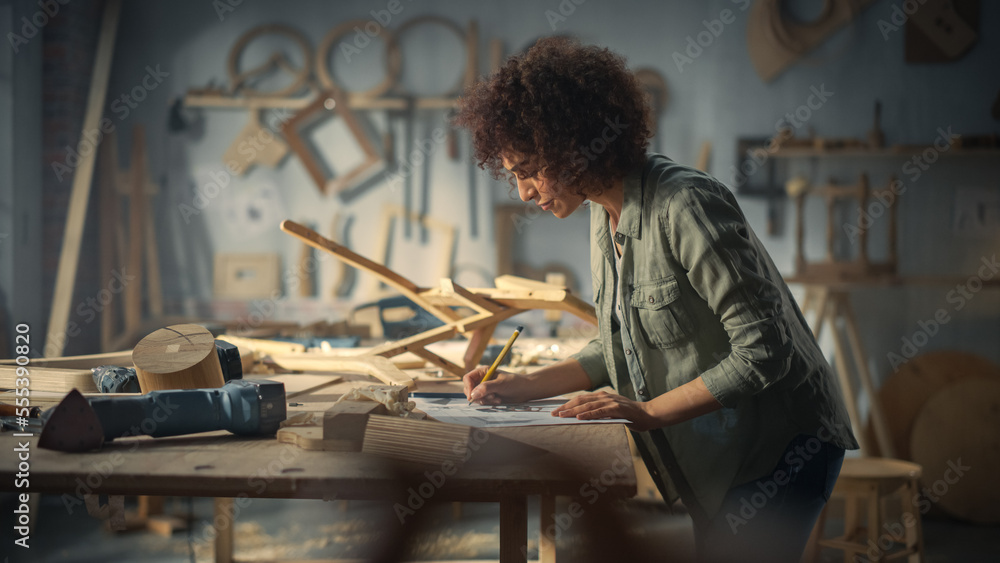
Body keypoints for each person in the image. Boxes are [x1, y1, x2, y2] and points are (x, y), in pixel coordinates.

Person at [453, 37, 859, 562]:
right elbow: (616, 345)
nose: (525, 192)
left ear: (571, 145)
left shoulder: (685, 204)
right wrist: (522, 387)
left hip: (779, 449)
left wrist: (646, 412)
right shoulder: (604, 212)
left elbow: (764, 351)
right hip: (720, 454)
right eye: (514, 176)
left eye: (529, 169)